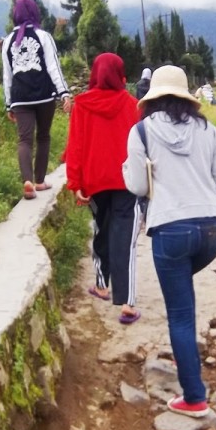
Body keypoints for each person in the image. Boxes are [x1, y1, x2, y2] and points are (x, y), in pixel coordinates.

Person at [123, 65, 216, 418]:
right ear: (186, 97)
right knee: (183, 300)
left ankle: (194, 397)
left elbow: (139, 188)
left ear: (152, 97)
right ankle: (185, 351)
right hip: (212, 231)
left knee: (179, 313)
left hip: (171, 230)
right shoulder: (208, 130)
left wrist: (125, 172)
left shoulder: (141, 131)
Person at [65, 53, 143, 325]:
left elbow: (75, 146)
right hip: (126, 182)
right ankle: (127, 303)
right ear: (120, 75)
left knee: (102, 229)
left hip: (95, 182)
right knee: (125, 237)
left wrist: (75, 182)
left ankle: (101, 285)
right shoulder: (133, 106)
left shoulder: (82, 106)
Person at [2, 0, 72, 200]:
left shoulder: (7, 42)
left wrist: (9, 104)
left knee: (24, 139)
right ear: (35, 13)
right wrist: (64, 93)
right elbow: (53, 67)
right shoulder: (43, 36)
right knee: (43, 136)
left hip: (20, 98)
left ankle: (27, 180)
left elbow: (7, 75)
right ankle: (40, 181)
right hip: (43, 96)